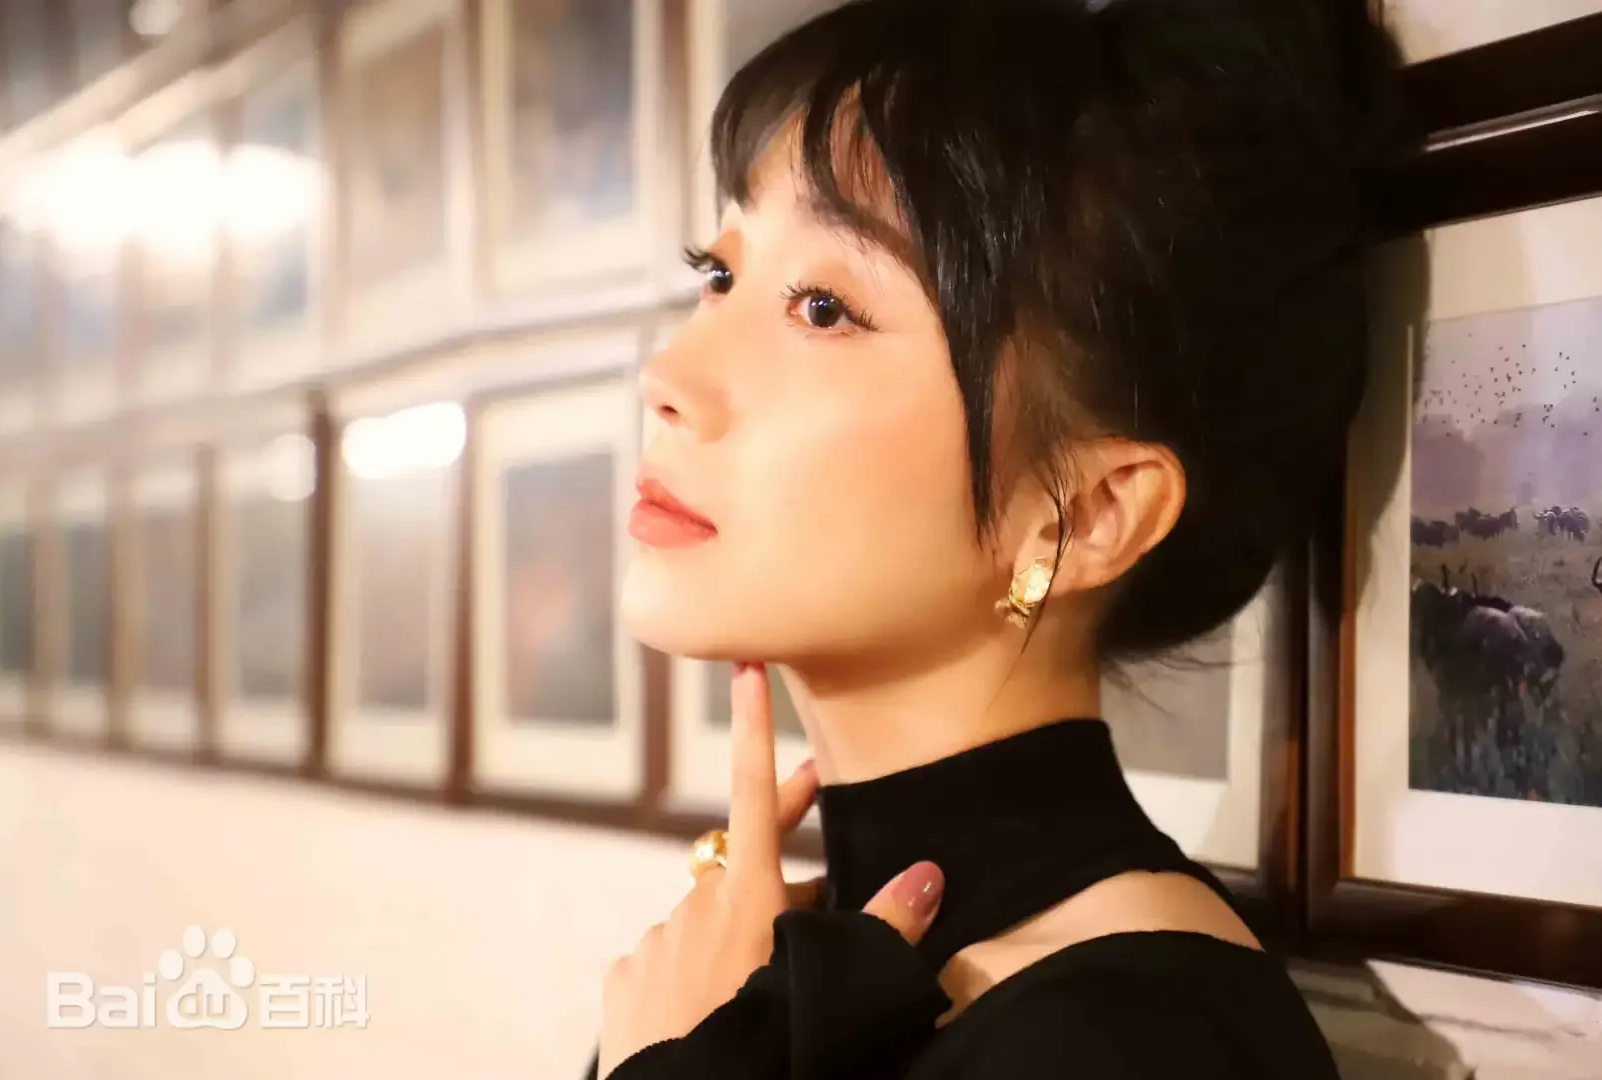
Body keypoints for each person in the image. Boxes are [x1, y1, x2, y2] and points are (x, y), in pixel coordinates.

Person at [598, 0, 1405, 1075]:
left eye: (824, 307)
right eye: (719, 274)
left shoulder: (1128, 1043)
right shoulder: (751, 978)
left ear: (1088, 514)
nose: (669, 377)